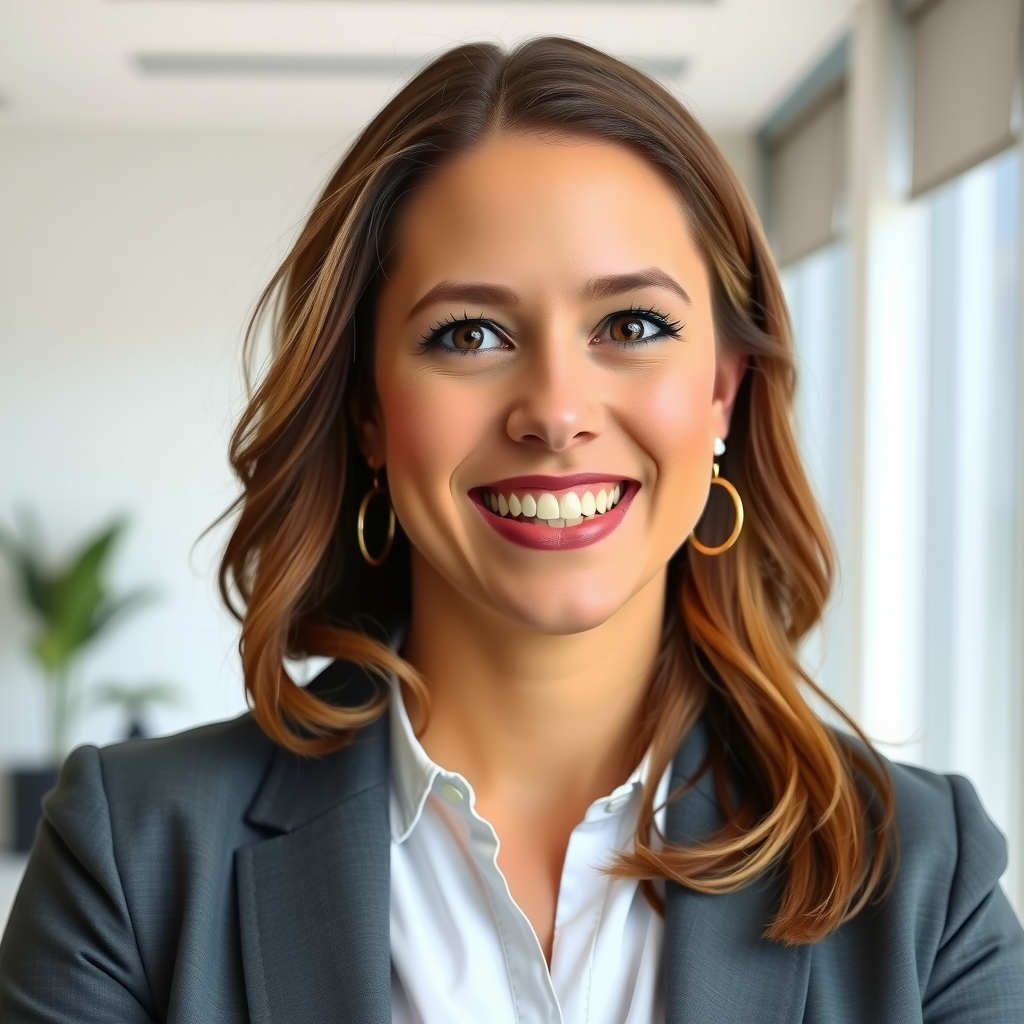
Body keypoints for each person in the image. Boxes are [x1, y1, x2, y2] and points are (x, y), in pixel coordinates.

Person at [1, 36, 1022, 1024]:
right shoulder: (130, 860)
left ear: (720, 391)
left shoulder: (924, 879)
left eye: (631, 325)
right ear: (367, 410)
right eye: (469, 334)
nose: (554, 408)